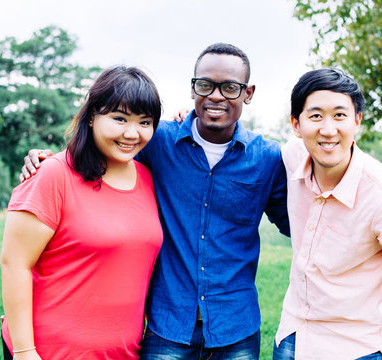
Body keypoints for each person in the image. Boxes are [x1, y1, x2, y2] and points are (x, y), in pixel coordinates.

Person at [20, 43, 290, 359]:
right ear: (193, 88)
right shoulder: (157, 140)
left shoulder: (268, 159)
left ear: (248, 92)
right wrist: (46, 160)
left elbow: (299, 223)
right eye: (205, 85)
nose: (216, 96)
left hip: (236, 326)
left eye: (230, 87)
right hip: (168, 324)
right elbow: (104, 148)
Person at [0, 66, 163, 360]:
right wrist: (25, 352)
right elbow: (14, 264)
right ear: (91, 116)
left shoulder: (149, 178)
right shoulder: (53, 174)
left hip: (124, 353)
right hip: (50, 351)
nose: (131, 133)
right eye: (119, 119)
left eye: (145, 122)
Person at [273, 69, 382, 360]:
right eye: (316, 116)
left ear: (357, 121)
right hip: (291, 338)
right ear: (296, 124)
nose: (328, 130)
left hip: (356, 348)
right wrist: (188, 118)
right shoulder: (293, 157)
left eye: (340, 116)